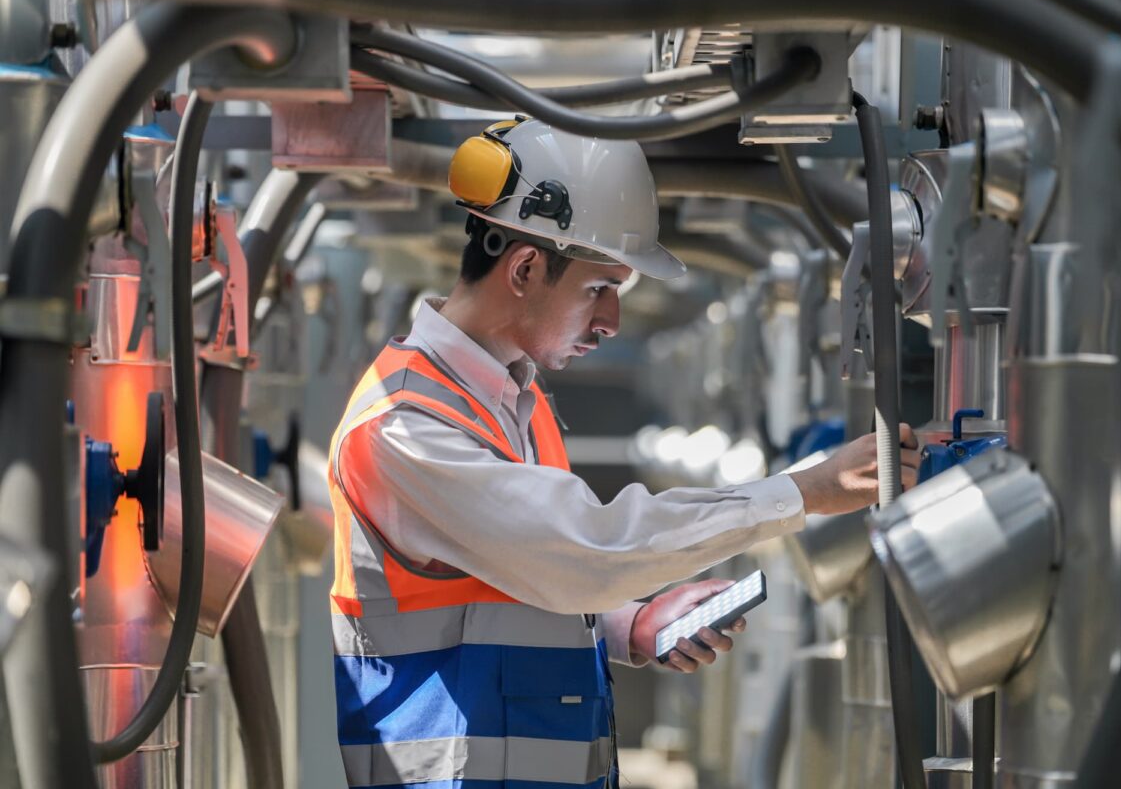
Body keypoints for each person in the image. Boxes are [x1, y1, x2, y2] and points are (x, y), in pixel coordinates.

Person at [327, 118, 921, 789]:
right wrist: (800, 492)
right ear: (524, 267)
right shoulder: (403, 425)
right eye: (598, 288)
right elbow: (580, 549)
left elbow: (516, 575)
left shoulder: (509, 401)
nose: (611, 320)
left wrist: (626, 623)